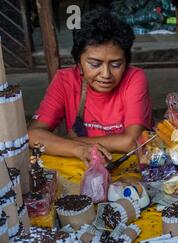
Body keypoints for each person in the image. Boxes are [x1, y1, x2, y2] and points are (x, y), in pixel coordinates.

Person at [28, 9, 152, 165]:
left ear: (126, 63)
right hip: (82, 166)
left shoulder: (134, 78)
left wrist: (70, 142)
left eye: (116, 64)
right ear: (79, 63)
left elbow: (131, 141)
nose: (106, 74)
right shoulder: (64, 81)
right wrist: (78, 150)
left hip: (127, 168)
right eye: (95, 64)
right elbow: (33, 135)